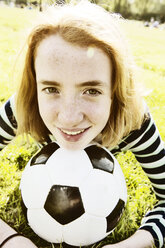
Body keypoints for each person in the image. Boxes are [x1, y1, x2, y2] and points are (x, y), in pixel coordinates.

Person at [0, 1, 164, 247]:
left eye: (91, 90)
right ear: (35, 87)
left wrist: (134, 243)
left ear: (115, 90)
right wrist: (9, 238)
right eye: (51, 88)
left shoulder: (134, 122)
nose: (68, 117)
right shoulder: (24, 106)